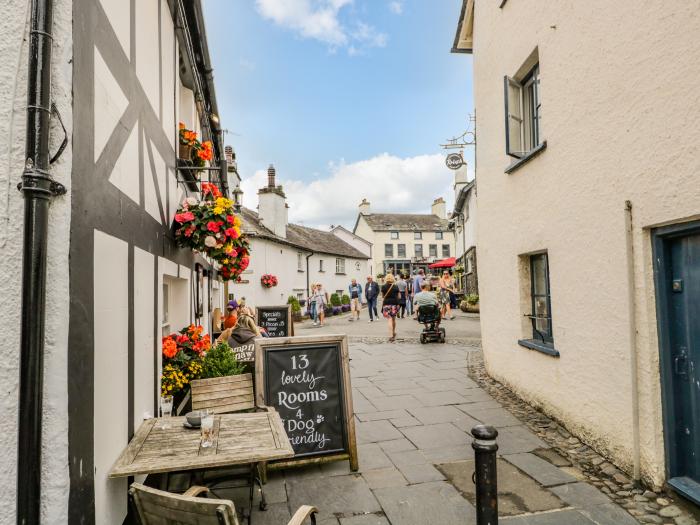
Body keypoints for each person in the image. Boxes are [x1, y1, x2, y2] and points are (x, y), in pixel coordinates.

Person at [380, 273, 401, 341]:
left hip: (386, 304)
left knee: (389, 319)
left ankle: (391, 335)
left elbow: (383, 296)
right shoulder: (395, 286)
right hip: (394, 304)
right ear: (393, 279)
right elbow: (399, 296)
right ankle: (393, 332)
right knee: (393, 319)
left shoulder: (383, 287)